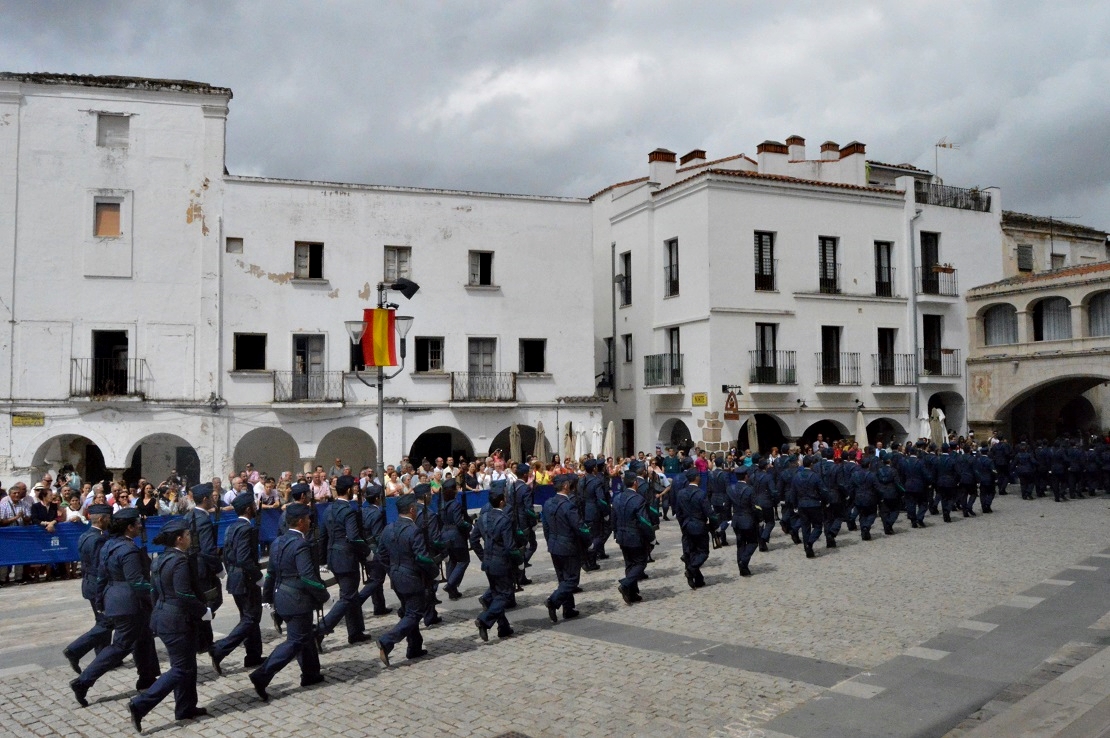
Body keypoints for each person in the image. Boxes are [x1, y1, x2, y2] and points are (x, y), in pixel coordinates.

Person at [70, 508, 160, 707]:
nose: (140, 526)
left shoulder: (109, 544)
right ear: (129, 527)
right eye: (137, 523)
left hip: (116, 599)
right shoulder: (128, 550)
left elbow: (102, 575)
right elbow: (137, 582)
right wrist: (158, 589)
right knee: (120, 646)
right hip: (129, 604)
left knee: (144, 638)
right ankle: (83, 682)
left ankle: (147, 678)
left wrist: (101, 600)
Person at [128, 518, 211, 732]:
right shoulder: (180, 561)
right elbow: (184, 593)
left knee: (187, 665)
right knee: (181, 668)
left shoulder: (160, 559)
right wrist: (204, 611)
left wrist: (157, 613)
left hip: (164, 617)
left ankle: (186, 707)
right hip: (177, 620)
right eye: (188, 535)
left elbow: (154, 591)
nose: (191, 538)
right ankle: (140, 704)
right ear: (179, 538)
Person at [250, 503, 329, 702]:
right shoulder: (300, 544)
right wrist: (323, 594)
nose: (311, 521)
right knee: (295, 641)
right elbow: (308, 577)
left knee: (304, 636)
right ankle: (262, 675)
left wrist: (267, 597)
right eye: (308, 518)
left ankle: (311, 674)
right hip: (297, 600)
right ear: (301, 522)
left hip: (281, 596)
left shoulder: (278, 542)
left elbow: (271, 573)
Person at [376, 493, 439, 666]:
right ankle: (387, 641)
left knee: (409, 610)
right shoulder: (414, 530)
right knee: (413, 614)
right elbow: (422, 557)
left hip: (397, 577)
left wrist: (392, 570)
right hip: (412, 577)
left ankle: (414, 647)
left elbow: (381, 555)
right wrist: (435, 572)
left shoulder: (388, 528)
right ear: (412, 510)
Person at [209, 491, 264, 675]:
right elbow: (244, 558)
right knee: (251, 618)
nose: (256, 508)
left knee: (248, 617)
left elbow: (227, 554)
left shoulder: (232, 527)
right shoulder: (246, 529)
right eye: (254, 506)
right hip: (246, 579)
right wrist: (258, 576)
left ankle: (253, 655)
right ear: (249, 509)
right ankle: (220, 649)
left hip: (236, 578)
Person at [316, 476, 371, 649]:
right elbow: (354, 537)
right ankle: (320, 630)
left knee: (351, 594)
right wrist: (367, 553)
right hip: (346, 557)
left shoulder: (328, 509)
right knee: (347, 596)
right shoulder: (348, 511)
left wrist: (323, 560)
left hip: (334, 556)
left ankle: (355, 632)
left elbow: (322, 537)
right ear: (348, 490)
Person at [63, 504, 114, 674]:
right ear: (101, 519)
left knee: (103, 621)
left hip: (89, 584)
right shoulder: (99, 539)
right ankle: (75, 650)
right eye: (108, 518)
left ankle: (103, 657)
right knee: (106, 622)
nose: (110, 521)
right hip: (99, 585)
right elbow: (101, 566)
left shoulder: (85, 535)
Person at [469, 487, 520, 640]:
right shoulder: (504, 519)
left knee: (497, 594)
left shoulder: (483, 518)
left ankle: (503, 627)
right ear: (502, 501)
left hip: (488, 563)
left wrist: (483, 556)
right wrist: (519, 562)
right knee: (505, 594)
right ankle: (484, 620)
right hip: (502, 563)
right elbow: (510, 546)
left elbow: (473, 540)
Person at [541, 474, 590, 622]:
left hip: (554, 545)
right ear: (566, 486)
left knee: (563, 579)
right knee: (572, 580)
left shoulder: (548, 503)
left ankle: (568, 609)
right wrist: (589, 542)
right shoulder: (568, 505)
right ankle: (553, 601)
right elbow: (579, 527)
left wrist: (550, 541)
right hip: (568, 547)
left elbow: (545, 527)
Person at [185, 485, 223, 653]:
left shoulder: (189, 515)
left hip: (191, 565)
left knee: (203, 602)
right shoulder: (203, 519)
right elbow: (208, 549)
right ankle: (200, 638)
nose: (214, 499)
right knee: (213, 601)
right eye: (211, 496)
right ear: (205, 499)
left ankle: (205, 641)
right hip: (203, 568)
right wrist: (218, 568)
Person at [612, 471, 654, 603]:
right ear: (635, 483)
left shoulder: (617, 498)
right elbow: (644, 521)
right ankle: (626, 583)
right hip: (635, 536)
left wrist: (615, 533)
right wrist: (651, 536)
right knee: (641, 563)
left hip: (622, 536)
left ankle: (631, 593)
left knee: (629, 564)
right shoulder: (638, 499)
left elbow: (613, 518)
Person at [356, 482, 392, 617]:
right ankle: (357, 601)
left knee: (376, 578)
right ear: (377, 498)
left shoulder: (364, 511)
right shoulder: (376, 513)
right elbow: (378, 536)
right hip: (375, 550)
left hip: (366, 549)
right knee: (376, 580)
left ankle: (379, 606)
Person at [674, 468, 715, 587]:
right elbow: (709, 512)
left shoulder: (681, 493)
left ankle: (697, 579)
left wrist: (683, 524)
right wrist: (715, 525)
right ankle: (691, 570)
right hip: (699, 525)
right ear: (696, 478)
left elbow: (678, 512)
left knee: (690, 553)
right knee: (703, 552)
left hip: (686, 525)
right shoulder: (701, 494)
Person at [788, 456, 826, 558]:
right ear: (811, 464)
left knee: (805, 527)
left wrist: (795, 505)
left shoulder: (797, 476)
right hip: (814, 504)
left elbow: (793, 492)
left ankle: (807, 547)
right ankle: (810, 542)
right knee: (818, 526)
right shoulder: (815, 476)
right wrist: (824, 501)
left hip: (802, 504)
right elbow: (822, 490)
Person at [440, 478, 472, 600]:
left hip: (445, 534)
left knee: (452, 561)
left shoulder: (443, 504)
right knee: (463, 561)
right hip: (456, 536)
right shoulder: (455, 504)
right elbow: (459, 522)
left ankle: (453, 591)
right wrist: (469, 526)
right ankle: (450, 584)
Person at [725, 467, 759, 576]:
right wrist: (759, 519)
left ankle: (743, 569)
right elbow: (754, 507)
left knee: (740, 544)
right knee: (753, 542)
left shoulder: (730, 488)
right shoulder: (750, 489)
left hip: (736, 520)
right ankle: (743, 561)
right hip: (748, 520)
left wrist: (729, 518)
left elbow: (727, 506)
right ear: (746, 476)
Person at [707, 455, 731, 547]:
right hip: (723, 498)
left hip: (714, 498)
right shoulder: (725, 474)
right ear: (722, 464)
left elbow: (708, 488)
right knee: (727, 519)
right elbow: (728, 488)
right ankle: (720, 531)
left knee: (719, 519)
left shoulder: (711, 474)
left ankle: (723, 540)